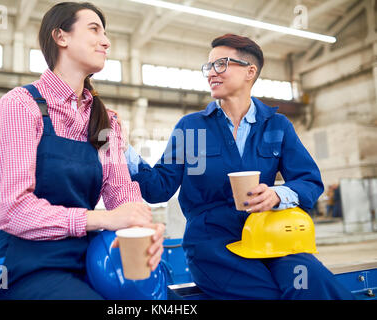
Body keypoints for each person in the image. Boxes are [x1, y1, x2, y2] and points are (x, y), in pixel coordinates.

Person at [123, 34, 354, 299]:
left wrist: (278, 195)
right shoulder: (191, 127)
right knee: (266, 295)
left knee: (313, 280)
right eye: (208, 67)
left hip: (268, 240)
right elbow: (158, 188)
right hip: (213, 245)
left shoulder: (277, 126)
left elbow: (309, 181)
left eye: (220, 64)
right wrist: (122, 148)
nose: (211, 73)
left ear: (250, 71)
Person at [0, 2, 164, 300]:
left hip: (92, 259)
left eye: (106, 33)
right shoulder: (20, 107)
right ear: (61, 37)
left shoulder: (105, 122)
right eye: (94, 29)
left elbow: (120, 190)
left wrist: (143, 226)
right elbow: (12, 210)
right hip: (30, 267)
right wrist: (102, 219)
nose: (106, 41)